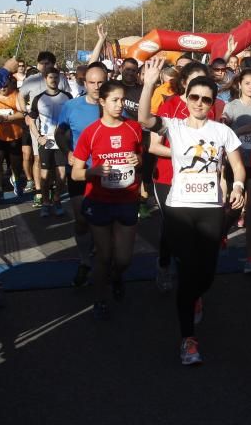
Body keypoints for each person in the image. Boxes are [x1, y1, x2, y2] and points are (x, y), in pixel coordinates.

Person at [139, 56, 246, 364]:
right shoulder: (173, 126)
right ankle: (188, 340)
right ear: (185, 98)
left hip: (211, 209)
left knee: (207, 274)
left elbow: (238, 167)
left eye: (206, 99)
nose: (200, 103)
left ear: (214, 102)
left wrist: (237, 187)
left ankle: (194, 296)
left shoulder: (222, 131)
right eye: (195, 97)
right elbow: (145, 119)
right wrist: (148, 85)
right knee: (187, 272)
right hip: (179, 209)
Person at [71, 80, 143, 321]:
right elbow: (76, 173)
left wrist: (136, 161)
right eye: (114, 100)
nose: (120, 104)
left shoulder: (133, 128)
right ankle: (99, 298)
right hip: (99, 200)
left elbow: (139, 158)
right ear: (102, 102)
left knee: (123, 259)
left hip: (127, 199)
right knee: (103, 255)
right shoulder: (91, 133)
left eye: (122, 100)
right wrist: (94, 171)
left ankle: (117, 276)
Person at [149, 61, 215, 292]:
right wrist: (183, 156)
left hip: (199, 179)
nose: (199, 88)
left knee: (195, 228)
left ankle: (190, 274)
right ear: (184, 82)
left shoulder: (210, 107)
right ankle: (164, 264)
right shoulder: (170, 106)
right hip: (168, 177)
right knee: (173, 225)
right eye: (194, 81)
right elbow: (154, 147)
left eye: (203, 81)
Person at [58, 62, 109, 287]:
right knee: (81, 220)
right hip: (80, 171)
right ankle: (85, 260)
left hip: (107, 172)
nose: (96, 87)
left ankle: (104, 262)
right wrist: (67, 151)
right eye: (92, 82)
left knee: (105, 222)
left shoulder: (114, 105)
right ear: (84, 82)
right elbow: (60, 133)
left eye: (101, 82)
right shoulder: (71, 106)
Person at [222, 68, 251, 274]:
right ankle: (220, 233)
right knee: (233, 209)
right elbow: (222, 134)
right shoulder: (231, 107)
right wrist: (241, 131)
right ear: (239, 84)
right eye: (248, 83)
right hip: (238, 162)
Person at [29, 67, 73, 217]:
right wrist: (38, 137)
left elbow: (73, 117)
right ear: (45, 79)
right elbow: (30, 120)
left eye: (56, 78)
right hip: (46, 142)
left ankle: (57, 199)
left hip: (62, 142)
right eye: (50, 78)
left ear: (59, 79)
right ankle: (46, 202)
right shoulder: (39, 98)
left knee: (61, 175)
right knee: (45, 175)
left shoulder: (67, 96)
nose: (53, 80)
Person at [0, 75, 27, 198]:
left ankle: (17, 180)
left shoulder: (16, 95)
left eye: (6, 85)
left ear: (10, 84)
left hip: (15, 135)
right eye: (1, 86)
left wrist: (6, 118)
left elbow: (23, 113)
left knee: (16, 163)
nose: (3, 88)